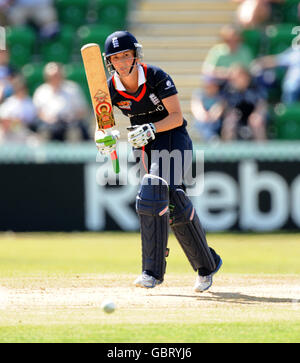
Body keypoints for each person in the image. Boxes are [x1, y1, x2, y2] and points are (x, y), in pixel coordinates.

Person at [95, 31, 222, 292]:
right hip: (144, 146)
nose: (121, 62)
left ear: (135, 55)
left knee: (152, 191)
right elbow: (104, 125)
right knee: (172, 202)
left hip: (173, 139)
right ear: (110, 62)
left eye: (126, 55)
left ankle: (151, 272)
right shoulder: (110, 88)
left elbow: (176, 116)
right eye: (116, 58)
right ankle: (207, 264)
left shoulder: (155, 76)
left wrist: (152, 127)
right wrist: (103, 138)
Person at [33, 62, 90, 141]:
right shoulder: (41, 91)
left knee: (75, 133)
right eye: (52, 76)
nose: (55, 78)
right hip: (49, 124)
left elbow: (83, 110)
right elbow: (37, 112)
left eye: (57, 75)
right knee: (43, 132)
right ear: (47, 77)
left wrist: (71, 118)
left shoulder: (72, 89)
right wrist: (48, 119)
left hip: (70, 123)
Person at [221, 65, 268, 141]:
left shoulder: (255, 87)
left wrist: (258, 114)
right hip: (236, 117)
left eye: (238, 77)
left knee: (257, 122)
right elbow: (225, 105)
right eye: (234, 78)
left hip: (253, 115)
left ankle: (262, 151)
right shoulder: (228, 89)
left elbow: (262, 104)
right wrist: (229, 113)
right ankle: (227, 151)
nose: (235, 80)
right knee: (229, 123)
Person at [0, 76, 37, 142]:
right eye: (19, 88)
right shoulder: (8, 103)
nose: (21, 90)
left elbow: (32, 120)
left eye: (22, 88)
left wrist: (19, 122)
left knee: (35, 142)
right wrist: (13, 122)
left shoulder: (30, 103)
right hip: (9, 132)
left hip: (26, 132)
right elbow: (3, 121)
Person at [191, 76, 224, 142]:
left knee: (213, 125)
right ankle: (211, 139)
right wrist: (203, 116)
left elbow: (218, 110)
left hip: (215, 122)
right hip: (202, 121)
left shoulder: (220, 96)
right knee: (201, 125)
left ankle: (211, 139)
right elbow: (197, 109)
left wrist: (211, 116)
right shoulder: (199, 94)